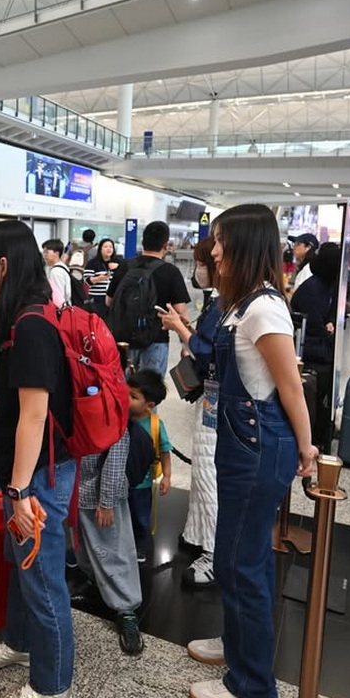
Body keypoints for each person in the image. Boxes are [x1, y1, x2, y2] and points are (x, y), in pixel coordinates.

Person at [186, 204, 317, 698]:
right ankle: (238, 644)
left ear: (241, 245)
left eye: (219, 242)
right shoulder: (242, 303)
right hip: (243, 442)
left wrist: (306, 448)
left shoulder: (264, 309)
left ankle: (254, 687)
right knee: (240, 553)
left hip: (259, 446)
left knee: (241, 562)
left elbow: (290, 387)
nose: (213, 251)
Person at [0, 220, 75, 698]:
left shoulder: (31, 322)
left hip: (39, 473)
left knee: (43, 575)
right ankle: (20, 641)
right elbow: (20, 398)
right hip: (28, 465)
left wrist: (19, 488)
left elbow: (36, 414)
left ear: (3, 265)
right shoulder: (15, 314)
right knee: (22, 565)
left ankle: (53, 683)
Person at [160, 237, 221, 589]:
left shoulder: (242, 304)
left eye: (208, 259)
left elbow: (210, 353)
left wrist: (181, 329)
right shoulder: (218, 301)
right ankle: (199, 532)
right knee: (202, 471)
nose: (201, 267)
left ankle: (214, 551)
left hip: (220, 405)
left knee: (211, 475)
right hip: (208, 401)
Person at [74, 423, 145, 655]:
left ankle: (127, 609)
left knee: (115, 551)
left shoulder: (108, 396)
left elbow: (116, 452)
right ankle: (95, 585)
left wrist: (107, 500)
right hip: (74, 488)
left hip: (100, 494)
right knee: (84, 549)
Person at [107, 220, 191, 376]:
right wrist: (186, 346)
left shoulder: (125, 266)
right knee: (149, 393)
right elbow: (181, 314)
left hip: (123, 340)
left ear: (143, 242)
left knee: (123, 393)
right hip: (156, 340)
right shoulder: (171, 272)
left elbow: (109, 301)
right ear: (166, 245)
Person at [290, 242, 340, 453]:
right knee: (317, 387)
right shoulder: (313, 287)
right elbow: (316, 324)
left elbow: (329, 318)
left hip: (318, 345)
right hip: (309, 348)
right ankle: (314, 433)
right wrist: (327, 329)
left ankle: (321, 430)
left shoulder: (329, 284)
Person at [126, 370, 172, 564]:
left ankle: (141, 545)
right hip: (120, 480)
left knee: (140, 515)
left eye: (133, 396)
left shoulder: (155, 425)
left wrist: (167, 476)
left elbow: (165, 451)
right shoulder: (120, 418)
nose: (125, 398)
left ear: (149, 405)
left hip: (143, 484)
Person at [84, 238, 121, 315]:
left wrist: (118, 267)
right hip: (97, 299)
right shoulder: (92, 263)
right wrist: (99, 278)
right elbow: (87, 281)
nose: (108, 249)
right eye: (105, 247)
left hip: (113, 299)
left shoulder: (118, 262)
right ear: (100, 249)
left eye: (111, 247)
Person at [42, 239, 72, 308]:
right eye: (44, 252)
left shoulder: (56, 271)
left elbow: (58, 297)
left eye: (47, 252)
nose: (44, 255)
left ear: (57, 253)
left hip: (60, 311)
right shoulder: (62, 267)